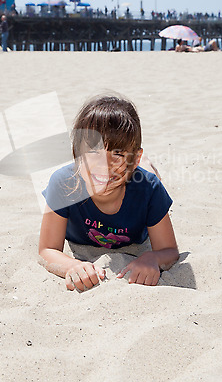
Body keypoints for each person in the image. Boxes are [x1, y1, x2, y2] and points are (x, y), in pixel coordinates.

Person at [39, 95, 179, 291]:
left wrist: (152, 257)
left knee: (147, 178)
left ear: (134, 158)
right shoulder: (64, 183)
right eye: (93, 151)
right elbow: (47, 249)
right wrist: (72, 265)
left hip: (139, 180)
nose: (104, 166)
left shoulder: (149, 189)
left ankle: (146, 164)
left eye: (118, 154)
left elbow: (169, 251)